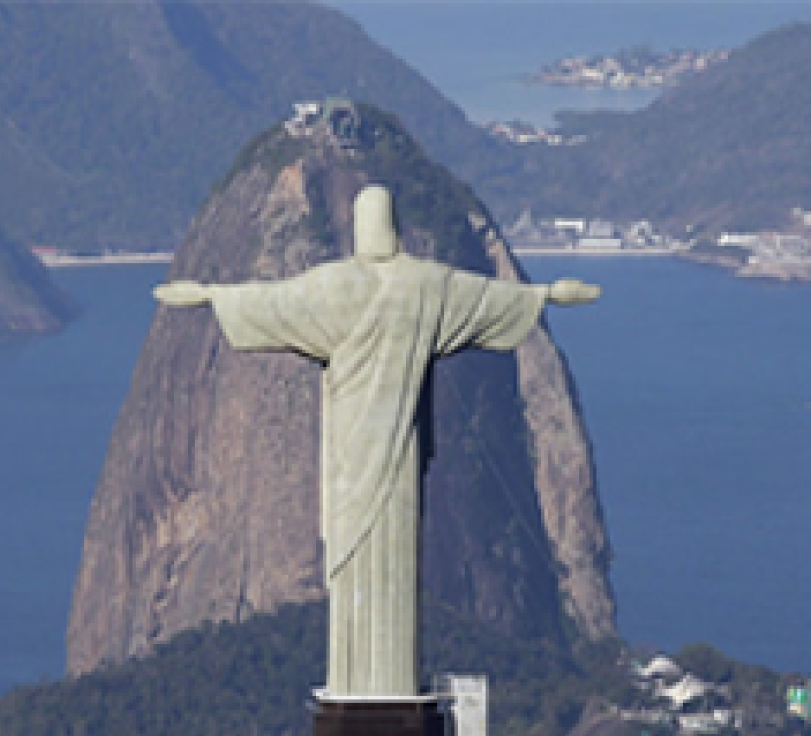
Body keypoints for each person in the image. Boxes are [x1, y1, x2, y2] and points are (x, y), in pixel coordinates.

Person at [155, 185, 600, 698]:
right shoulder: (426, 285)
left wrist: (211, 297)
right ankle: (390, 682)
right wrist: (548, 294)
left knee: (352, 568)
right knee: (394, 567)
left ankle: (353, 682)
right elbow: (489, 300)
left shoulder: (331, 287)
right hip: (399, 456)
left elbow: (270, 302)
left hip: (348, 459)